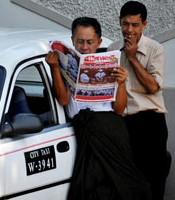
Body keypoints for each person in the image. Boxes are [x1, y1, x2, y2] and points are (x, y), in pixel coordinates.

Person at [46, 17, 151, 200]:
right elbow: (63, 99)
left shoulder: (111, 65)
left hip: (111, 131)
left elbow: (119, 110)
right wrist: (55, 68)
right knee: (90, 189)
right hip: (85, 130)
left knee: (123, 188)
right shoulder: (66, 63)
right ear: (72, 41)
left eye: (89, 42)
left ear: (99, 42)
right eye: (80, 41)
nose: (84, 47)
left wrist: (122, 83)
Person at [107, 1, 169, 200]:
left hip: (150, 122)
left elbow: (152, 87)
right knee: (126, 182)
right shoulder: (113, 48)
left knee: (153, 181)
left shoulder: (154, 49)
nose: (129, 30)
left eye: (135, 25)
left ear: (144, 25)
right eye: (125, 24)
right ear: (119, 22)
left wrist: (132, 58)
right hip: (123, 122)